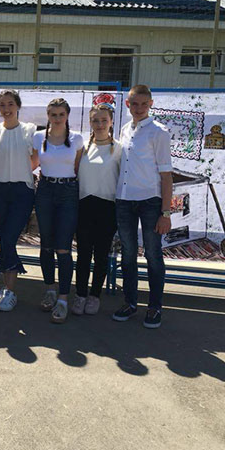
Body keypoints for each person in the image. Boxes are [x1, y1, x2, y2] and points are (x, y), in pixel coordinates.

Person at [112, 84, 173, 329]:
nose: (138, 108)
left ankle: (155, 307)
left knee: (152, 254)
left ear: (151, 104)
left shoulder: (159, 132)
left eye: (143, 104)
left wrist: (165, 213)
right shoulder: (125, 130)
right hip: (124, 201)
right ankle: (130, 303)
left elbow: (166, 176)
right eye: (134, 104)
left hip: (150, 202)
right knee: (127, 254)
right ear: (127, 104)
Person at [34, 97, 84, 324]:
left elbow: (78, 168)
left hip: (68, 193)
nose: (57, 118)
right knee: (46, 244)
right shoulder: (38, 137)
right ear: (47, 116)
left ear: (67, 115)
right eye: (53, 114)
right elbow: (32, 163)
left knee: (63, 248)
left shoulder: (77, 139)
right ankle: (50, 290)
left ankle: (63, 299)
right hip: (45, 190)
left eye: (61, 114)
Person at [0, 89, 37, 312]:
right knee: (4, 239)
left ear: (18, 106)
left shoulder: (29, 130)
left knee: (8, 238)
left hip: (21, 191)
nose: (6, 109)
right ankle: (7, 288)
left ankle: (10, 291)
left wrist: (20, 171)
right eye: (2, 105)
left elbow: (35, 160)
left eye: (10, 104)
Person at [74, 102, 122, 316]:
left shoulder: (119, 149)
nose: (100, 124)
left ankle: (95, 295)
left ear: (111, 122)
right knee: (83, 254)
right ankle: (80, 294)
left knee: (101, 256)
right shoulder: (83, 148)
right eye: (95, 120)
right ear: (90, 122)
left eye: (104, 120)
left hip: (107, 207)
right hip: (84, 206)